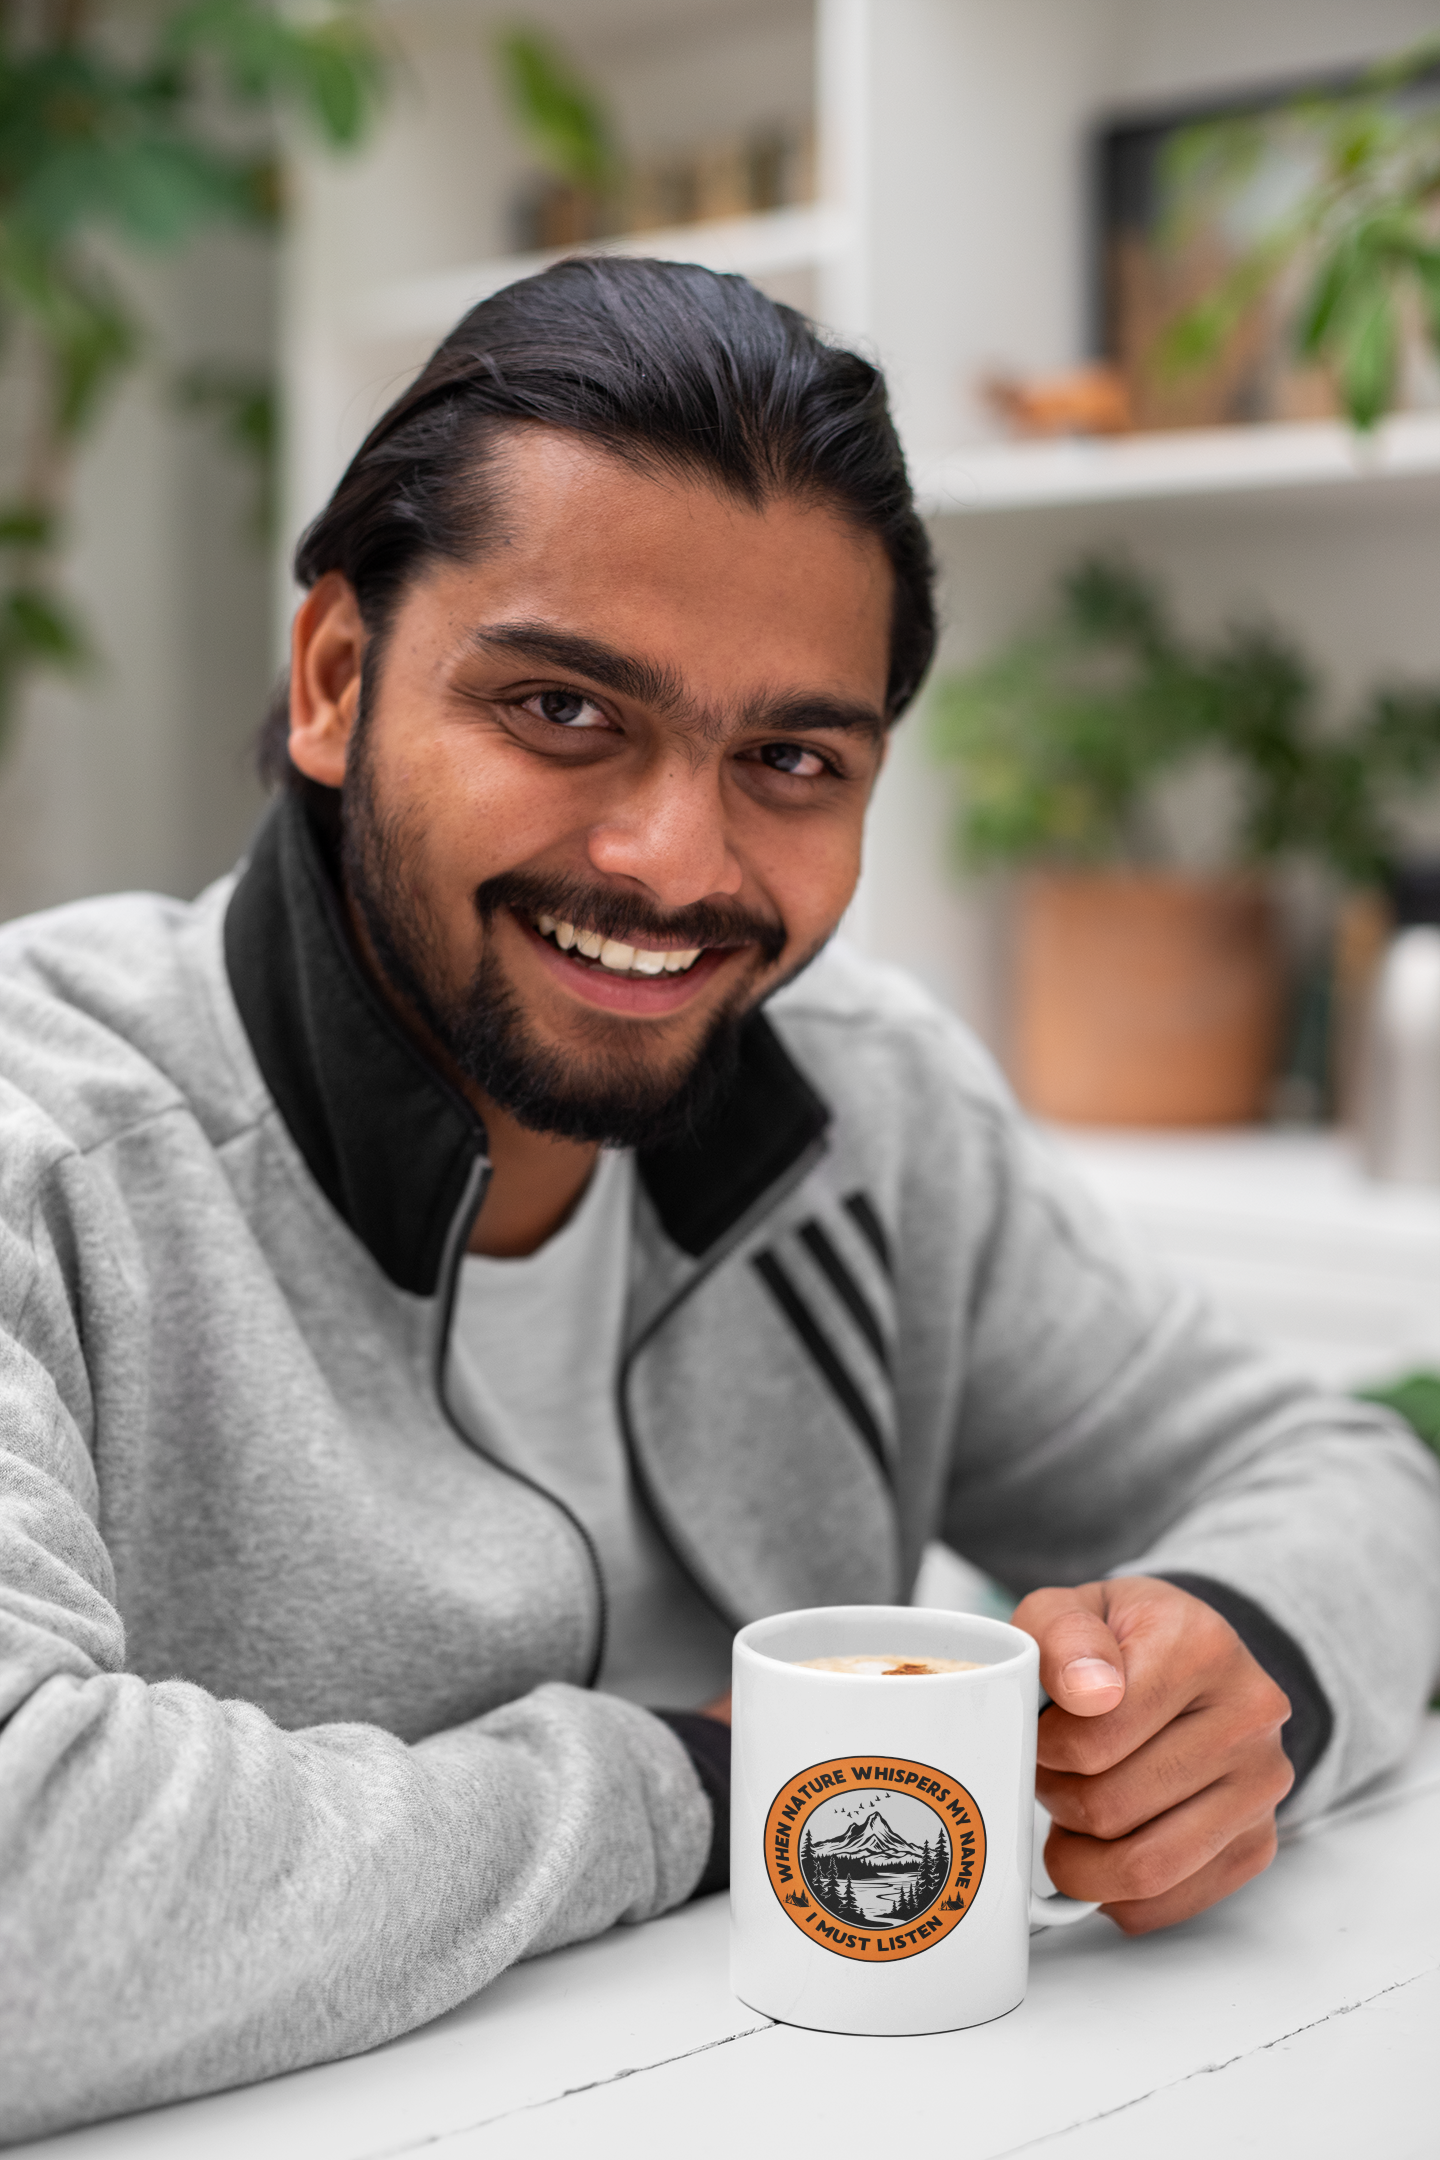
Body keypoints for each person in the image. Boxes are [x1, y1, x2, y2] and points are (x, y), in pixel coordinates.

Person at [1, 258, 1436, 2140]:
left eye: (790, 761)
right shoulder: (47, 1137)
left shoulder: (876, 1105)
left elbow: (1353, 1478)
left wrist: (1236, 1670)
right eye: (562, 711)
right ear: (338, 680)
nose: (676, 861)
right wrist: (707, 1784)